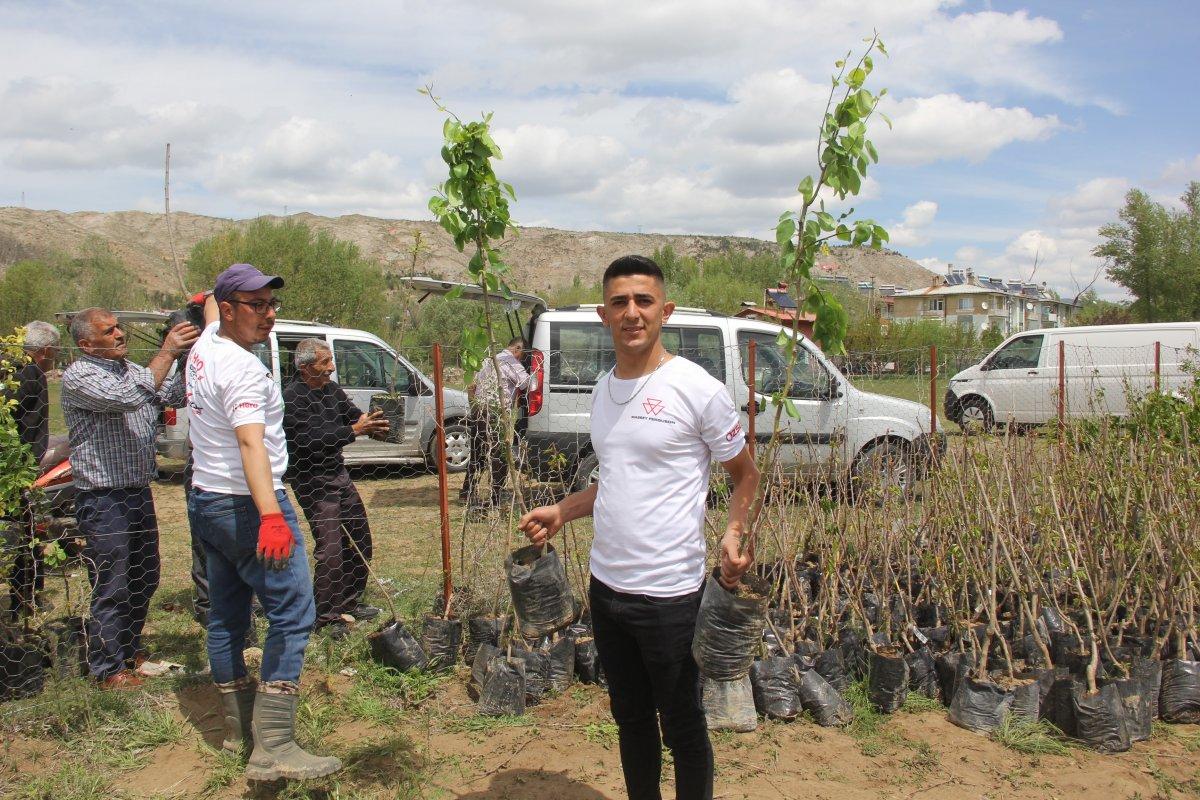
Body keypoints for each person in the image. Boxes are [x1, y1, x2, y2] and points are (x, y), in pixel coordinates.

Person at [519, 255, 760, 800]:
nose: (632, 313)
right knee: (629, 720)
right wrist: (562, 510)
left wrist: (734, 532)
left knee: (682, 724)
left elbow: (746, 475)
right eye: (620, 302)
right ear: (604, 315)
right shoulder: (603, 389)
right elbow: (615, 480)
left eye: (644, 301)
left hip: (670, 595)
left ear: (664, 311)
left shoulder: (696, 388)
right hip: (607, 590)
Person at [185, 264, 341, 781]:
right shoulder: (242, 370)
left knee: (227, 613)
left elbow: (211, 305)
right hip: (248, 505)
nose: (269, 315)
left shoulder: (207, 342)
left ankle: (238, 729)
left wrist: (213, 297)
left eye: (272, 304)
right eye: (257, 305)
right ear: (230, 310)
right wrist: (272, 517)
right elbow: (251, 442)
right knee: (294, 612)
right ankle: (273, 746)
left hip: (207, 499)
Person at [61, 308, 198, 689]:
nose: (120, 334)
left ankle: (128, 649)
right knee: (113, 583)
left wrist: (188, 354)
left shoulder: (133, 370)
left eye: (118, 327)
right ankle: (106, 669)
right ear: (87, 344)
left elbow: (174, 394)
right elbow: (126, 399)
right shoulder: (80, 375)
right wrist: (167, 351)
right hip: (104, 499)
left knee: (144, 576)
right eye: (109, 331)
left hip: (137, 492)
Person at [282, 338, 388, 639]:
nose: (331, 368)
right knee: (330, 550)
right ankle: (326, 617)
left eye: (331, 361)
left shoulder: (332, 390)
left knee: (360, 539)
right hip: (312, 480)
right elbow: (311, 441)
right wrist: (354, 430)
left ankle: (349, 602)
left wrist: (371, 422)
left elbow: (352, 414)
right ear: (305, 367)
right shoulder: (292, 398)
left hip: (338, 474)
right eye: (325, 362)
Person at [7, 320, 61, 619]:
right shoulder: (29, 373)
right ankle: (25, 600)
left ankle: (26, 598)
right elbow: (27, 426)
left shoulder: (10, 367)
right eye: (55, 350)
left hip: (13, 469)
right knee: (25, 537)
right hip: (19, 471)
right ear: (47, 349)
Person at [459, 336, 532, 510]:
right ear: (518, 349)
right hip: (495, 413)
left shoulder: (488, 360)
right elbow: (528, 384)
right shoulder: (510, 362)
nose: (522, 359)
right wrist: (537, 373)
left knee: (478, 454)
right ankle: (496, 496)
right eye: (523, 355)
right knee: (499, 455)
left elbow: (473, 386)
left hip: (479, 410)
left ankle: (466, 492)